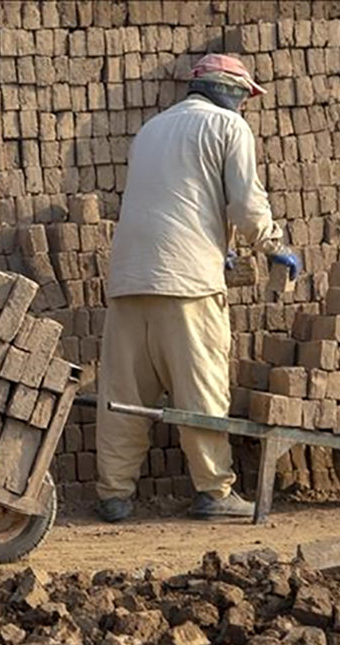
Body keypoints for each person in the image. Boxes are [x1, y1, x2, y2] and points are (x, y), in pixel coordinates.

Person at [95, 54, 302, 522]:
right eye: (246, 98)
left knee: (125, 394)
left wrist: (218, 245)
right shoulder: (229, 130)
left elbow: (176, 199)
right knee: (200, 391)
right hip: (188, 284)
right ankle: (213, 491)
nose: (246, 108)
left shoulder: (150, 130)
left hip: (129, 279)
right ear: (231, 91)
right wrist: (274, 247)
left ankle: (114, 494)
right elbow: (247, 204)